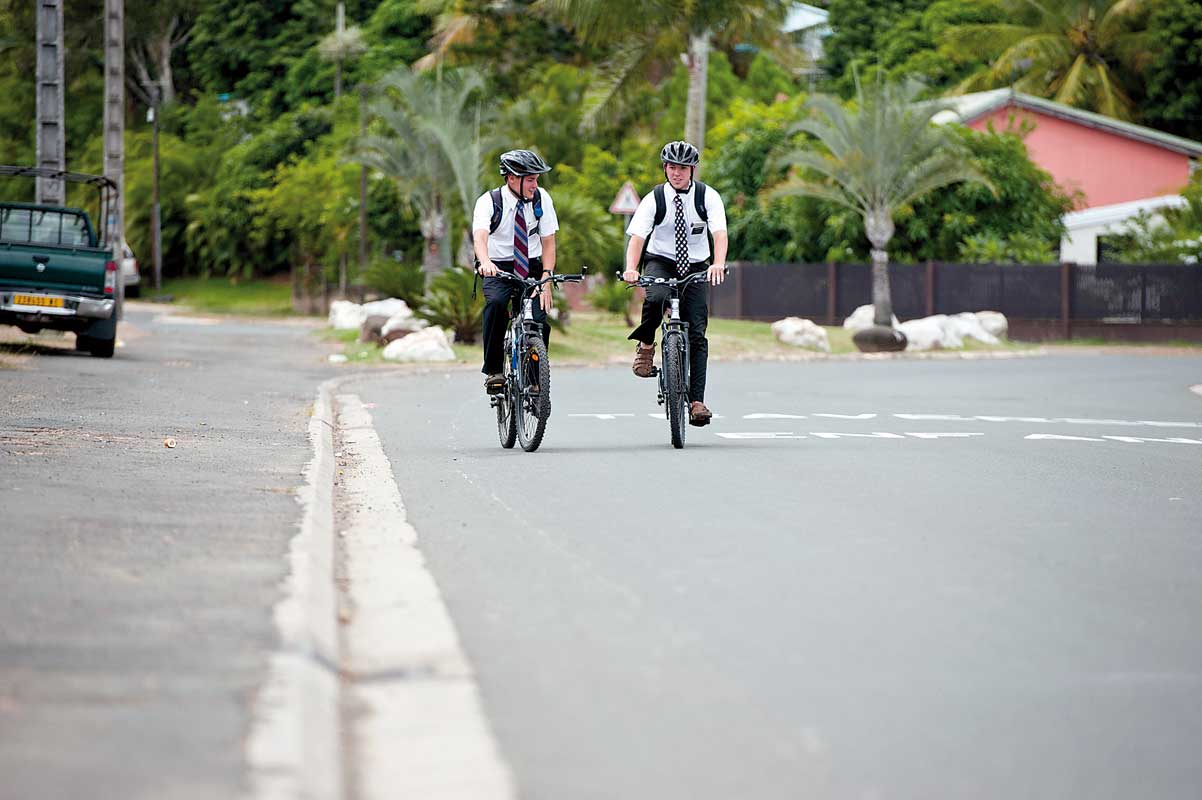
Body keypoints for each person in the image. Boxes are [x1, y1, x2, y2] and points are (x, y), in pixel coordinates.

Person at [622, 140, 728, 426]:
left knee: (697, 333)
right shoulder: (654, 199)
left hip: (696, 265)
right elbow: (638, 238)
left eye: (682, 168)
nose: (676, 173)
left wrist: (718, 263)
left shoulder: (707, 197)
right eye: (671, 167)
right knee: (655, 298)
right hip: (661, 260)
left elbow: (719, 233)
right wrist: (631, 268)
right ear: (665, 168)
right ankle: (646, 344)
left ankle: (696, 401)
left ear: (692, 169)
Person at [473, 149, 559, 394]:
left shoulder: (541, 199)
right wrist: (485, 262)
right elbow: (480, 237)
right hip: (496, 267)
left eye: (536, 179)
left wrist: (546, 277)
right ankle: (494, 371)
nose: (535, 185)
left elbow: (548, 242)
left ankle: (535, 381)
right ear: (512, 178)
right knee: (496, 305)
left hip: (531, 266)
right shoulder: (489, 202)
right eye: (530, 179)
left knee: (539, 320)